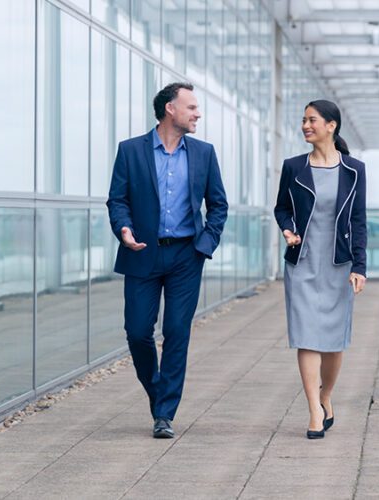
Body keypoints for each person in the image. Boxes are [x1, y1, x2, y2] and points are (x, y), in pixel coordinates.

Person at [107, 82, 228, 439]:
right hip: (142, 252)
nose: (198, 114)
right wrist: (124, 230)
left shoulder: (204, 153)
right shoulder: (130, 151)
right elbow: (117, 200)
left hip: (186, 255)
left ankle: (164, 413)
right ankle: (157, 390)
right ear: (169, 110)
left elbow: (218, 205)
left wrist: (205, 245)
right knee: (138, 332)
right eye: (191, 107)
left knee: (176, 331)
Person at [273, 100, 367, 439]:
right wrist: (287, 229)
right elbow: (282, 207)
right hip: (302, 262)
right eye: (303, 120)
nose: (305, 126)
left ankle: (327, 395)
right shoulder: (293, 167)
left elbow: (358, 221)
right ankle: (314, 408)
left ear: (331, 126)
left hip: (338, 264)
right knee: (306, 335)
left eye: (311, 120)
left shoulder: (354, 170)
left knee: (333, 340)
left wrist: (360, 266)